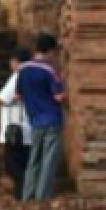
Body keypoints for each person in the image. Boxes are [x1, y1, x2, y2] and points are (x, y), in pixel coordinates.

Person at [18, 33, 66, 201]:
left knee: (34, 159)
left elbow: (18, 95)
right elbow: (59, 96)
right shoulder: (49, 70)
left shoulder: (23, 70)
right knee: (49, 160)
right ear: (50, 51)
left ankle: (27, 195)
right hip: (51, 118)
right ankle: (42, 196)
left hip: (34, 119)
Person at [0, 47, 34, 201]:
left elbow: (3, 99)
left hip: (16, 129)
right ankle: (26, 195)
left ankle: (24, 196)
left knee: (13, 166)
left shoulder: (18, 76)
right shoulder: (32, 74)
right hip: (28, 128)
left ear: (16, 61)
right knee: (23, 164)